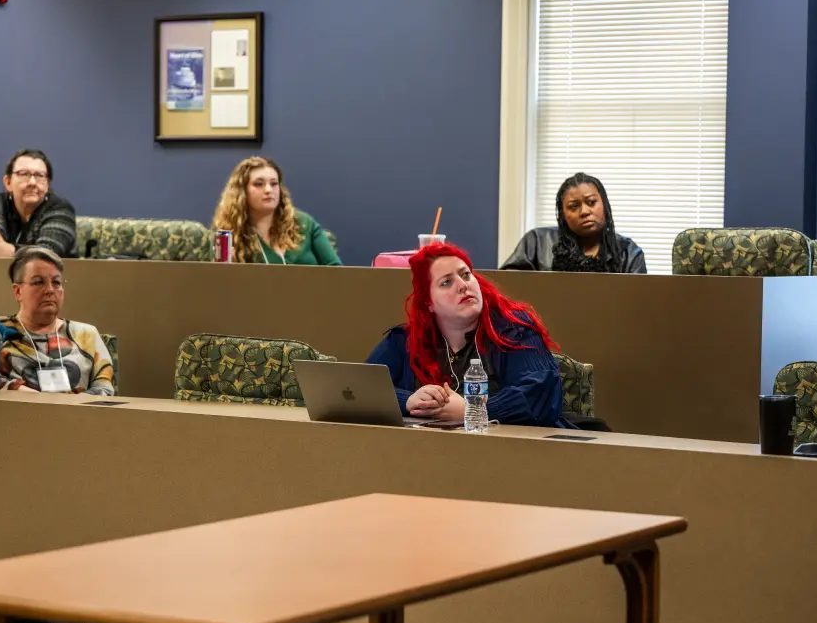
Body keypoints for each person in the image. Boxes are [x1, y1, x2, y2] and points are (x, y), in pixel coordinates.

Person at [366, 242, 571, 428]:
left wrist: (473, 409)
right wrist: (408, 400)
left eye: (465, 275)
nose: (463, 285)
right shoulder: (405, 340)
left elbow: (542, 397)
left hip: (517, 452)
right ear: (429, 303)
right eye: (446, 282)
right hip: (426, 453)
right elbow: (360, 389)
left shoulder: (514, 329)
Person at [0, 246, 114, 395]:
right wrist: (28, 396)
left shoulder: (86, 334)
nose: (50, 290)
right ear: (18, 291)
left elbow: (105, 388)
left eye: (56, 282)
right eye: (39, 282)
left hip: (77, 418)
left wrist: (71, 408)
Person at [501, 172, 646, 273]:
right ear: (563, 214)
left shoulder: (630, 253)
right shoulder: (537, 243)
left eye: (591, 202)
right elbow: (508, 288)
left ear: (605, 205)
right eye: (574, 206)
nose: (584, 211)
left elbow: (636, 305)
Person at [212, 156, 342, 265]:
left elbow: (337, 272)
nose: (268, 190)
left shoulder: (304, 224)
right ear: (242, 192)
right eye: (259, 184)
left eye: (274, 184)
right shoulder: (229, 235)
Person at [0, 149, 78, 258]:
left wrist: (6, 251)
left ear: (47, 184)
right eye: (23, 174)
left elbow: (46, 256)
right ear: (8, 182)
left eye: (39, 175)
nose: (32, 182)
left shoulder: (61, 209)